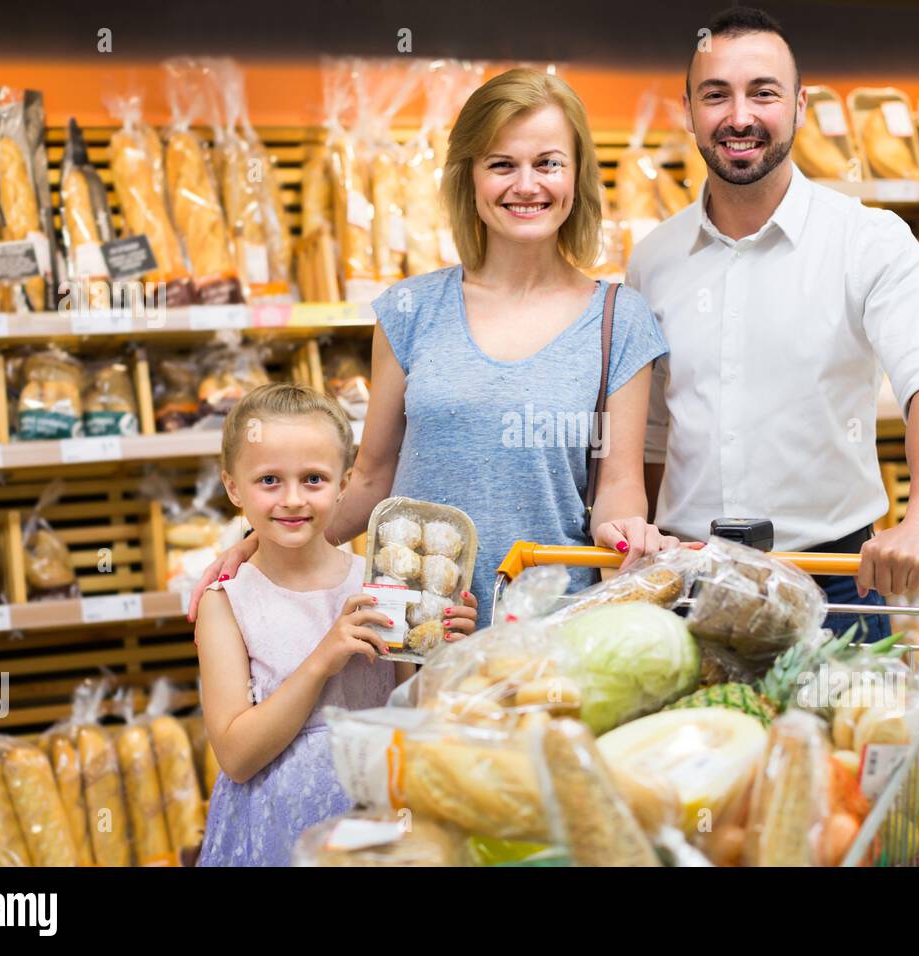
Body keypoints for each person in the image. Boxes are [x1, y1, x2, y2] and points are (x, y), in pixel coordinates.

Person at [189, 69, 678, 627]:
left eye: (548, 163)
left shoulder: (619, 317)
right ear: (469, 177)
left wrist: (625, 540)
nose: (527, 185)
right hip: (418, 631)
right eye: (501, 164)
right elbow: (373, 478)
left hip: (553, 634)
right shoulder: (409, 309)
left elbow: (617, 487)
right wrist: (256, 548)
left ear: (577, 174)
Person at [631, 8, 919, 638]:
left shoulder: (869, 240)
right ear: (688, 110)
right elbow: (653, 431)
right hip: (688, 581)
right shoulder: (653, 259)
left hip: (835, 579)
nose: (740, 117)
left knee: (844, 738)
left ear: (799, 106)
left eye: (763, 93)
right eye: (717, 95)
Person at [195, 383, 478, 866]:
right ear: (232, 486)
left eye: (313, 479)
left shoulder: (382, 584)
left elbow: (406, 714)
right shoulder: (226, 602)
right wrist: (321, 661)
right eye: (268, 481)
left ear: (344, 484)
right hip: (275, 831)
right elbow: (237, 757)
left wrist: (444, 654)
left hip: (378, 822)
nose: (292, 499)